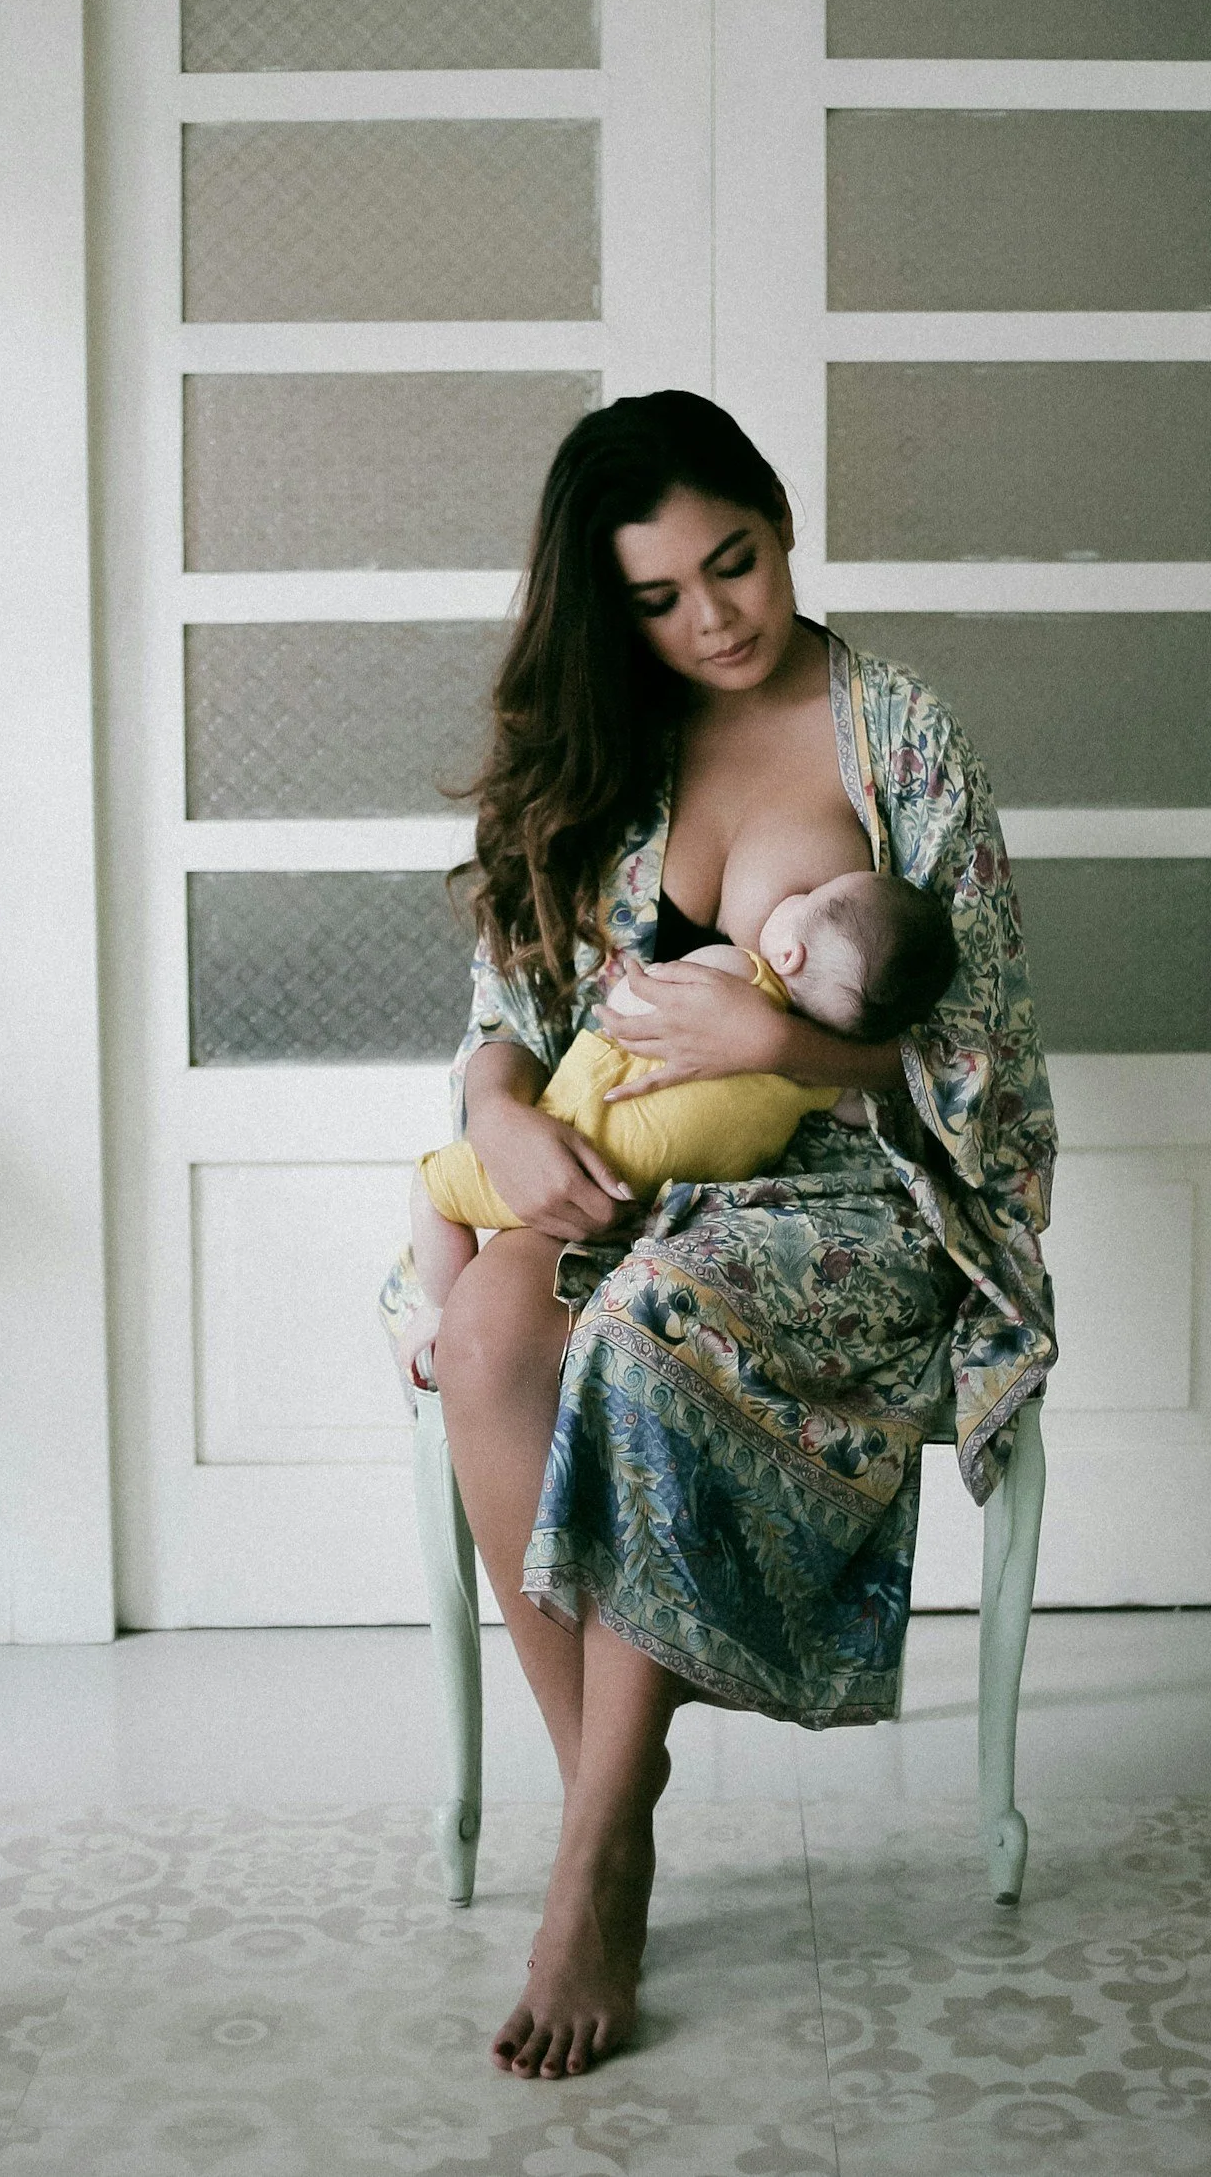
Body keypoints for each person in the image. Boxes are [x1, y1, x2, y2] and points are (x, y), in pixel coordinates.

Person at [428, 391, 1057, 2081]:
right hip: (613, 1158)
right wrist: (500, 1114)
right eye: (658, 597)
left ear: (780, 522)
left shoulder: (893, 732)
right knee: (488, 1331)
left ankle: (590, 1867)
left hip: (850, 1196)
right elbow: (504, 1009)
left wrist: (774, 1041)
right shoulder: (600, 738)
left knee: (645, 1322)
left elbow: (985, 1064)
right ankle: (611, 1795)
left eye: (735, 563)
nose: (713, 619)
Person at [378, 866, 959, 1393]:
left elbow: (633, 1001)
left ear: (789, 955)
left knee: (431, 1189)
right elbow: (876, 1100)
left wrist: (636, 991)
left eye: (805, 899)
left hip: (583, 1134)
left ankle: (441, 1311)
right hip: (655, 1202)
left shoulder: (740, 971)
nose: (794, 893)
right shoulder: (819, 1083)